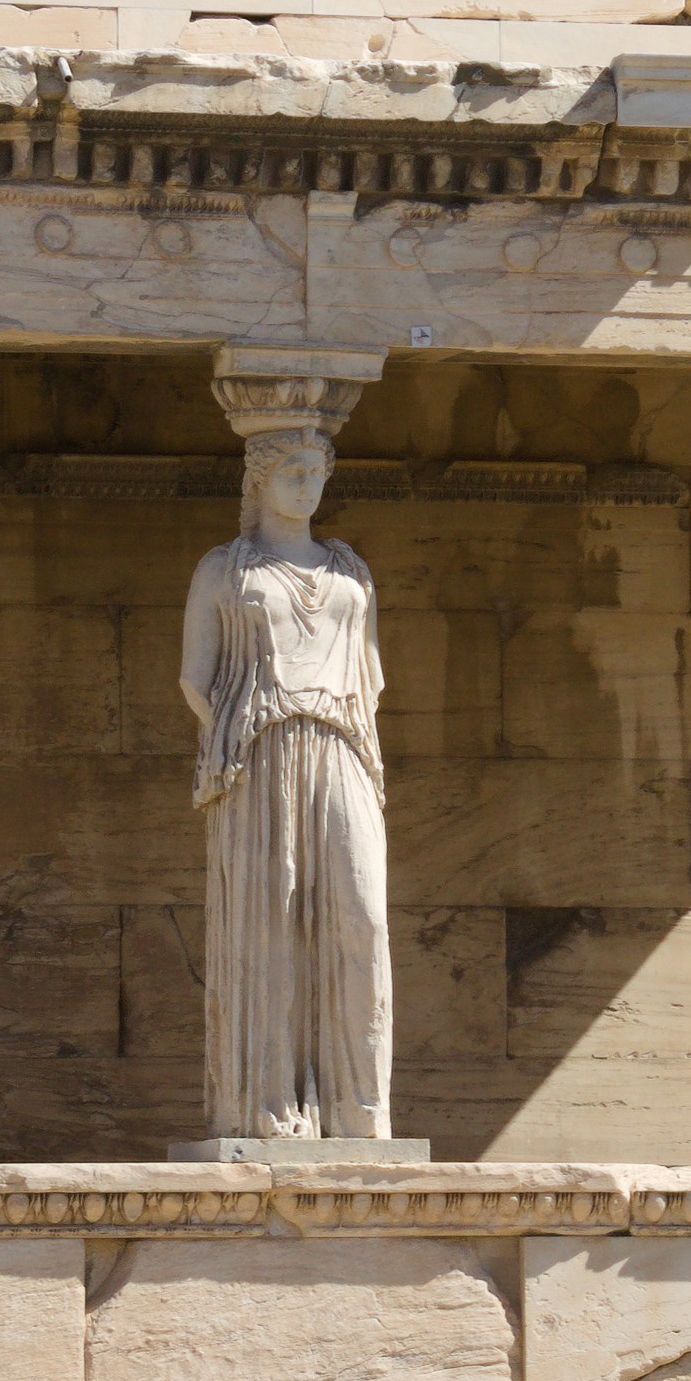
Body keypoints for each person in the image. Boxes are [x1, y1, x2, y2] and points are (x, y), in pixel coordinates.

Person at [180, 415, 392, 1141]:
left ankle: (359, 1108)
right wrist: (240, 734)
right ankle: (270, 1108)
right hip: (260, 751)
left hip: (342, 745)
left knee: (360, 913)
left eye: (317, 472)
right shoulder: (225, 568)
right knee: (271, 925)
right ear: (260, 479)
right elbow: (194, 678)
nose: (308, 486)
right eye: (292, 472)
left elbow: (372, 676)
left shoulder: (349, 570)